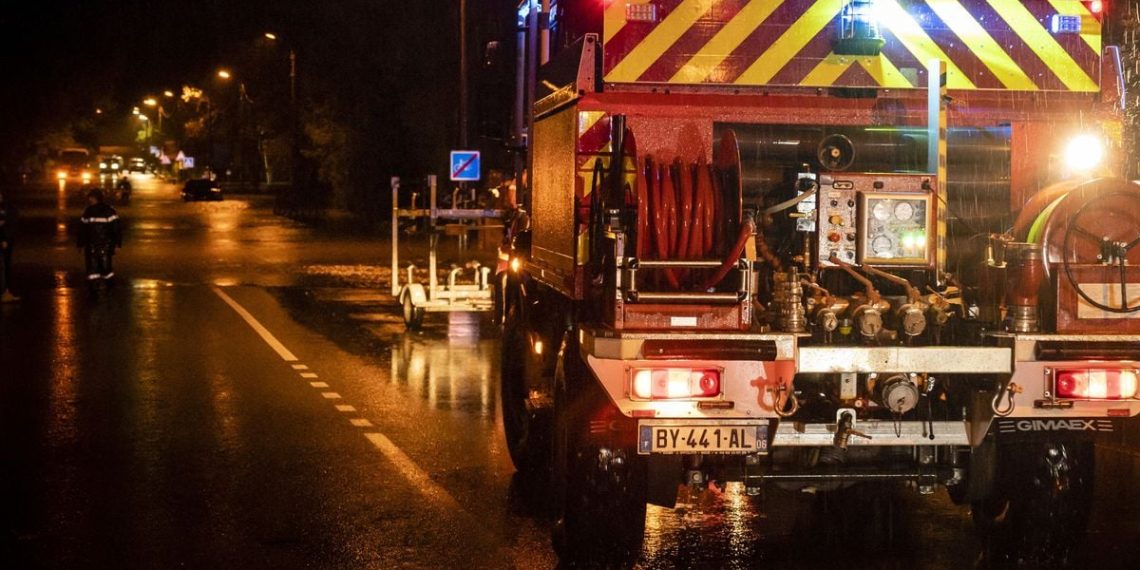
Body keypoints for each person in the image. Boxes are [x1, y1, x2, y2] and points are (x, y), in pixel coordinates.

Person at [77, 188, 122, 283]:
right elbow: (82, 229)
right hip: (98, 245)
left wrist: (117, 243)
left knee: (100, 268)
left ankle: (101, 287)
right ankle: (101, 288)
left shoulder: (96, 211)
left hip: (99, 245)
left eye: (91, 198)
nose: (89, 200)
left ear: (96, 198)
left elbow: (116, 228)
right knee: (99, 268)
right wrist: (80, 244)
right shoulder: (92, 210)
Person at [0, 190, 18, 302]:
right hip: (4, 241)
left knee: (4, 266)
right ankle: (3, 293)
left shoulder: (7, 207)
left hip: (6, 240)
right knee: (2, 267)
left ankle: (5, 291)